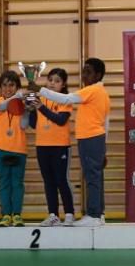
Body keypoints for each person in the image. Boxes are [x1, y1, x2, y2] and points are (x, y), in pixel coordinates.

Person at [31, 57, 109, 227]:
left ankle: (94, 215)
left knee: (92, 177)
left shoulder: (92, 91)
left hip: (90, 138)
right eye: (83, 71)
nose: (84, 75)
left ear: (99, 74)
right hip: (96, 139)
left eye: (88, 72)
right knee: (95, 176)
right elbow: (106, 121)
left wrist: (40, 89)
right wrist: (105, 149)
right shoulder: (102, 93)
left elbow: (66, 99)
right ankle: (99, 213)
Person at [26, 68, 75, 226]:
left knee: (62, 180)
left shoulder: (65, 99)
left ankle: (69, 214)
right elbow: (33, 124)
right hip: (42, 145)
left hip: (60, 146)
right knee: (49, 182)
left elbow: (60, 120)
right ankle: (53, 214)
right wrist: (32, 110)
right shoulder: (40, 98)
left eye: (57, 81)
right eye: (50, 80)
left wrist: (41, 108)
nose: (53, 83)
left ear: (64, 84)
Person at [0, 71, 30, 227]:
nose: (8, 88)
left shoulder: (21, 104)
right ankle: (6, 215)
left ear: (17, 86)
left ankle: (17, 215)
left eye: (12, 85)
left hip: (19, 148)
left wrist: (27, 109)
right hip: (0, 148)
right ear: (0, 88)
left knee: (17, 183)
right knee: (4, 183)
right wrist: (18, 96)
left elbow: (24, 125)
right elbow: (2, 107)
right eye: (5, 85)